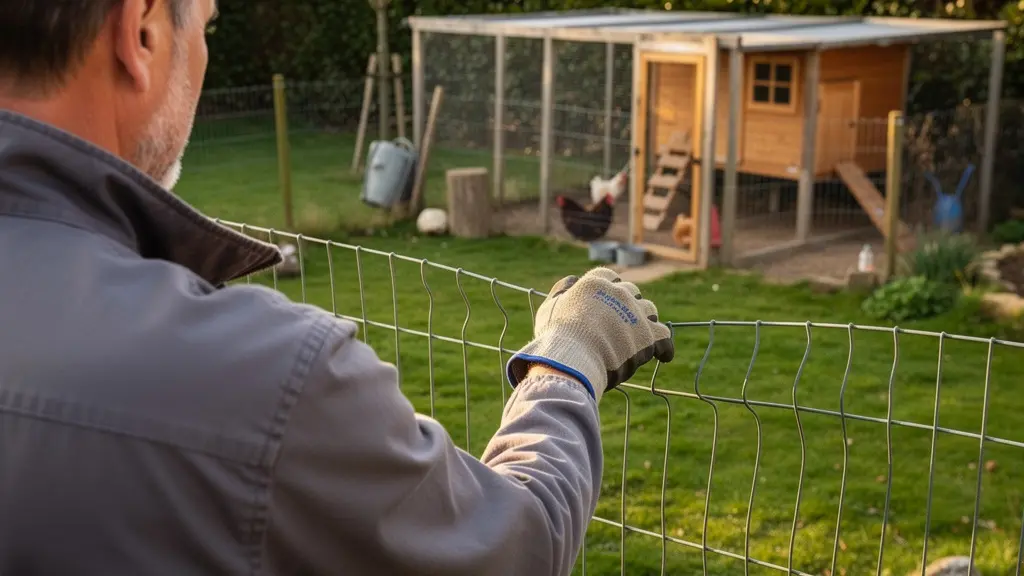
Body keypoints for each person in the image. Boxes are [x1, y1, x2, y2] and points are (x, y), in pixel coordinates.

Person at [0, 1, 675, 574]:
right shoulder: (259, 381)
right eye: (206, 25)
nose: (203, 51)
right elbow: (514, 548)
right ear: (140, 32)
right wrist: (568, 359)